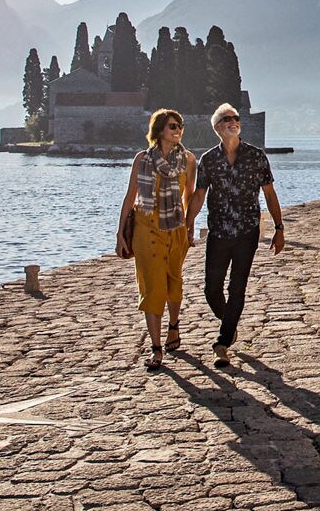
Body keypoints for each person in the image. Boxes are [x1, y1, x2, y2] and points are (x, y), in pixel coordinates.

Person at [185, 101, 284, 367]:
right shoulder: (208, 160)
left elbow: (270, 193)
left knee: (237, 286)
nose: (234, 121)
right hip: (218, 232)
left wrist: (279, 228)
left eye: (236, 118)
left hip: (247, 231)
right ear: (218, 127)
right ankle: (230, 323)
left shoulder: (256, 156)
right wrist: (187, 224)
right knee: (211, 289)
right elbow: (198, 195)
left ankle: (222, 342)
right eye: (228, 118)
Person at [117, 109, 197, 371]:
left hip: (175, 228)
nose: (178, 130)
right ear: (159, 130)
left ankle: (173, 325)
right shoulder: (141, 159)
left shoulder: (188, 160)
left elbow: (190, 196)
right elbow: (131, 196)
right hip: (146, 226)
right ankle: (156, 347)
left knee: (174, 282)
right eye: (173, 125)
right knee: (152, 287)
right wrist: (120, 233)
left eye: (180, 125)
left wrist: (190, 225)